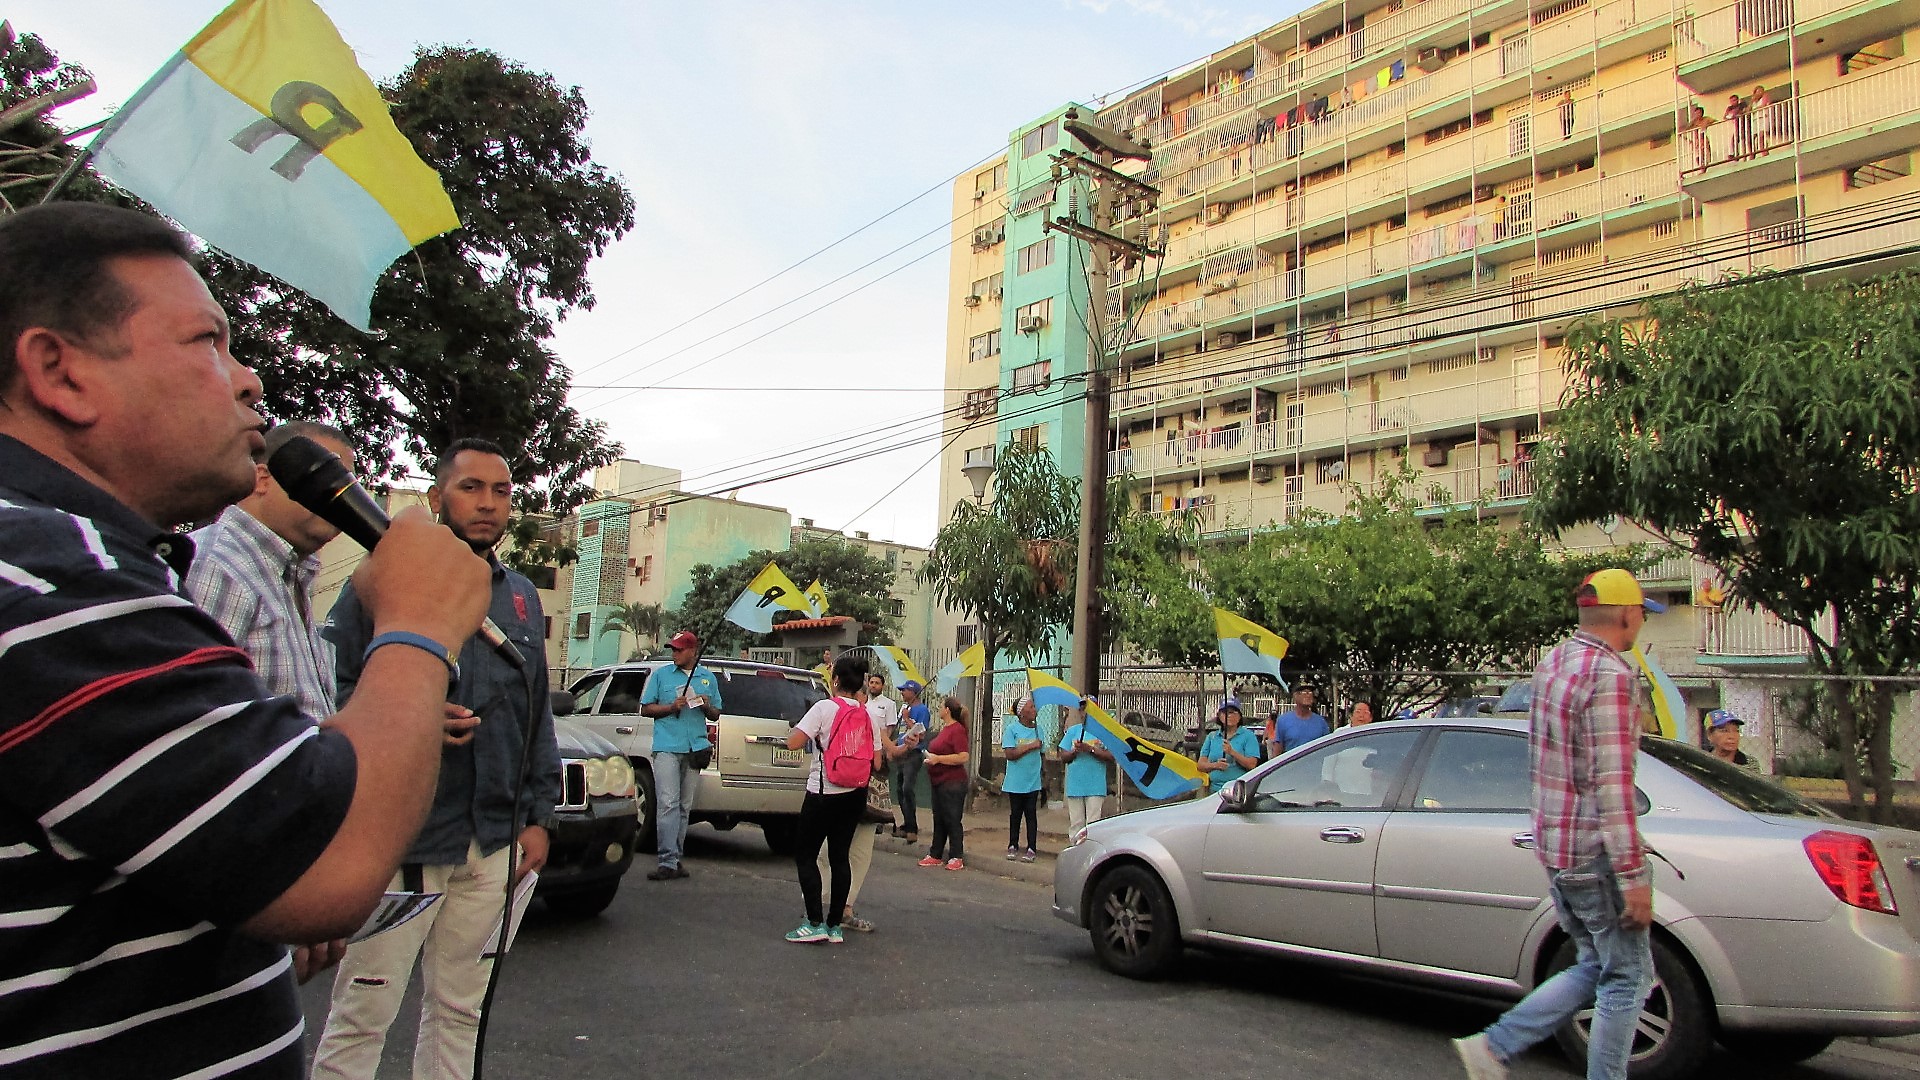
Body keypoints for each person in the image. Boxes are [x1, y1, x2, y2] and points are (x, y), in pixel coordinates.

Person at [0, 202, 491, 1077]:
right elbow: (325, 861)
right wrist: (416, 627)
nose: (245, 379)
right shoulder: (48, 578)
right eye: (208, 343)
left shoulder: (97, 563)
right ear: (58, 371)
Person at [312, 437, 563, 1080]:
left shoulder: (521, 599)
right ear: (436, 498)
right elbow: (329, 688)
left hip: (494, 840)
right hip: (406, 837)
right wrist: (412, 714)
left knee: (460, 1011)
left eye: (501, 491)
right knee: (364, 1013)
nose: (487, 504)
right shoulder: (382, 577)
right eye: (470, 488)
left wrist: (539, 816)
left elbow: (536, 714)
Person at [1454, 569, 1661, 1080]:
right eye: (1641, 612)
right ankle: (1501, 1048)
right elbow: (1612, 784)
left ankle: (1495, 1046)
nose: (1641, 622)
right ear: (1627, 614)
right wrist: (1633, 877)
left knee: (1595, 962)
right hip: (1597, 853)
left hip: (1557, 848)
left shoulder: (1553, 665)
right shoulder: (1611, 677)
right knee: (1629, 977)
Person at [185, 420, 355, 726]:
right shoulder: (221, 565)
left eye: (348, 486)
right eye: (323, 477)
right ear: (262, 479)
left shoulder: (292, 576)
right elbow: (195, 717)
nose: (340, 497)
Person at [785, 653, 882, 943]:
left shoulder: (824, 708)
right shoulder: (868, 715)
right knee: (841, 857)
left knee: (805, 855)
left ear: (835, 680)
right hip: (855, 794)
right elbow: (876, 762)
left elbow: (794, 742)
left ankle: (813, 923)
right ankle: (834, 926)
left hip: (823, 791)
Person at [817, 671, 915, 932]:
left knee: (857, 854)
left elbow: (890, 753)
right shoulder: (836, 714)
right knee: (833, 852)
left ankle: (841, 909)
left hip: (865, 797)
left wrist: (908, 744)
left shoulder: (867, 718)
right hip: (845, 793)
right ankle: (821, 906)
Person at [639, 629, 721, 880]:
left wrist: (706, 705)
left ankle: (675, 857)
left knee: (684, 806)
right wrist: (671, 707)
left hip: (694, 746)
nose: (674, 653)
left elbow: (716, 713)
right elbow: (646, 708)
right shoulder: (662, 675)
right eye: (672, 649)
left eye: (679, 649)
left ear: (692, 651)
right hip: (667, 746)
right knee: (667, 803)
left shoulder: (707, 677)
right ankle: (666, 859)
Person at [920, 696, 971, 870]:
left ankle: (957, 855)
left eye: (941, 706)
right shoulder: (946, 729)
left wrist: (938, 759)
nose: (939, 709)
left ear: (947, 710)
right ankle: (936, 853)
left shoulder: (957, 730)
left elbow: (963, 756)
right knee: (939, 818)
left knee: (952, 819)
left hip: (952, 782)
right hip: (938, 781)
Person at [1002, 693, 1045, 862]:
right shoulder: (1011, 730)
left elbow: (1042, 755)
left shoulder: (1038, 730)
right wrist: (1031, 745)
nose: (1035, 710)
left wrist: (1045, 776)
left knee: (1031, 814)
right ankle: (1013, 844)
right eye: (1031, 707)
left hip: (1033, 780)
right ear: (1022, 712)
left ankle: (1032, 847)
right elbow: (1010, 754)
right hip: (1015, 781)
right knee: (1016, 814)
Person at [1058, 703, 1114, 831]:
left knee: (1093, 824)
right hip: (1075, 786)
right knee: (1076, 824)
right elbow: (1064, 756)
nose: (1085, 713)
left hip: (1095, 786)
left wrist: (1090, 750)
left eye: (1088, 709)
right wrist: (1074, 751)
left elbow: (1110, 756)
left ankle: (1092, 849)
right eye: (1082, 710)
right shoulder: (1073, 731)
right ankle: (1077, 848)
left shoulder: (1103, 732)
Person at [892, 679, 931, 841]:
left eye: (904, 690)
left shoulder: (921, 710)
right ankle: (907, 823)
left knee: (907, 787)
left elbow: (921, 734)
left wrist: (908, 719)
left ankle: (912, 826)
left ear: (913, 692)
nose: (902, 693)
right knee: (900, 789)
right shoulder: (905, 709)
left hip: (913, 752)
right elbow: (901, 732)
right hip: (902, 752)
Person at [1199, 700, 1262, 791]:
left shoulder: (1248, 736)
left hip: (1238, 789)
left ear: (1239, 716)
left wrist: (1232, 752)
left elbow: (1251, 764)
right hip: (1214, 789)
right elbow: (1200, 765)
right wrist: (1215, 765)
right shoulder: (1212, 737)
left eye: (1233, 712)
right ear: (1219, 716)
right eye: (1225, 712)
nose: (1229, 715)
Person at [1268, 687, 1330, 758]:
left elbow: (1327, 750)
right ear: (1295, 696)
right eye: (1305, 692)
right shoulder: (1283, 721)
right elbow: (1277, 751)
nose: (1308, 695)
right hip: (1292, 767)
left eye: (1310, 692)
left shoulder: (1320, 722)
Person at [1749, 84, 1772, 156]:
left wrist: (1755, 109)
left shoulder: (1765, 96)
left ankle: (1764, 151)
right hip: (1756, 119)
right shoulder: (1754, 101)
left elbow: (1764, 105)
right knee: (1754, 137)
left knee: (1761, 135)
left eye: (1761, 91)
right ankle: (1755, 153)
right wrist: (1752, 101)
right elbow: (1748, 110)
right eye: (1758, 91)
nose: (1760, 93)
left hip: (1763, 117)